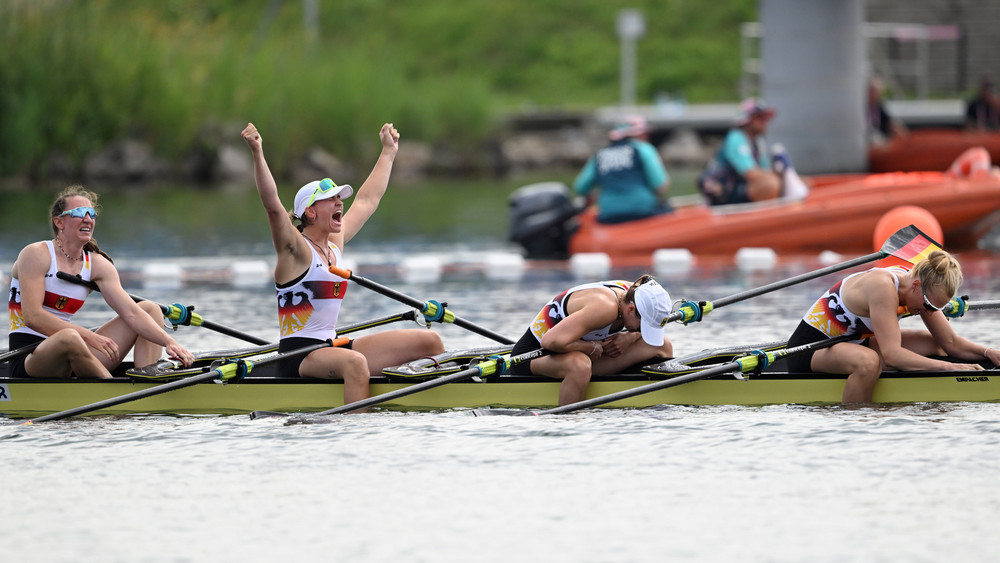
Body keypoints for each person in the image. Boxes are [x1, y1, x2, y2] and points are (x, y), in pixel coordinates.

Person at [241, 122, 444, 406]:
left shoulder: (334, 245)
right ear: (310, 212)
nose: (339, 202)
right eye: (331, 199)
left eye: (339, 197)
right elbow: (273, 206)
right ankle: (355, 427)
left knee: (431, 343)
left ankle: (407, 403)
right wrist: (258, 152)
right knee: (356, 364)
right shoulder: (295, 251)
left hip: (332, 345)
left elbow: (367, 200)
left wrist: (388, 152)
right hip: (299, 356)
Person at [7, 185, 195, 379]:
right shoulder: (36, 254)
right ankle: (117, 395)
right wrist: (90, 336)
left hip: (74, 352)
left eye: (91, 213)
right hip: (30, 359)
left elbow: (131, 313)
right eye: (79, 212)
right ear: (59, 222)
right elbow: (33, 317)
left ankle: (148, 381)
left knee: (150, 309)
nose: (88, 218)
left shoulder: (98, 265)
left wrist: (169, 342)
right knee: (70, 338)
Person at [785, 250, 1000, 403]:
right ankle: (855, 416)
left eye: (935, 307)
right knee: (870, 362)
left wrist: (988, 352)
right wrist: (951, 367)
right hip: (809, 349)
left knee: (935, 345)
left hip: (851, 340)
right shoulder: (883, 287)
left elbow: (951, 343)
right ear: (916, 286)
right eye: (928, 305)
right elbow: (892, 355)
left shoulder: (917, 284)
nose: (928, 311)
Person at [508, 274, 674, 406]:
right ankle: (569, 423)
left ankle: (659, 404)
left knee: (661, 345)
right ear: (631, 309)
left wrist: (630, 337)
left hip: (572, 351)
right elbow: (550, 342)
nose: (640, 331)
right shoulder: (605, 307)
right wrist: (590, 348)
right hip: (531, 357)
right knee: (580, 365)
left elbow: (641, 331)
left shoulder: (634, 293)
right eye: (641, 327)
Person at [573, 115, 673, 224]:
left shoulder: (599, 154)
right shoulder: (643, 149)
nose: (647, 137)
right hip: (642, 212)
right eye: (644, 134)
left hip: (608, 215)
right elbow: (660, 185)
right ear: (636, 134)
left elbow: (580, 187)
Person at [697, 98, 783, 206]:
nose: (764, 122)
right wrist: (779, 177)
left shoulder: (757, 142)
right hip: (724, 191)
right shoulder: (736, 138)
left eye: (765, 118)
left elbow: (764, 169)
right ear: (748, 120)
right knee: (770, 185)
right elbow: (751, 174)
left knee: (777, 181)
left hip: (741, 187)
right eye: (760, 118)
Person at [866, 76, 908, 144]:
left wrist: (898, 129)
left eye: (878, 93)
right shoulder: (863, 108)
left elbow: (889, 121)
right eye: (873, 92)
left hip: (877, 140)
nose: (876, 95)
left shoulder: (879, 107)